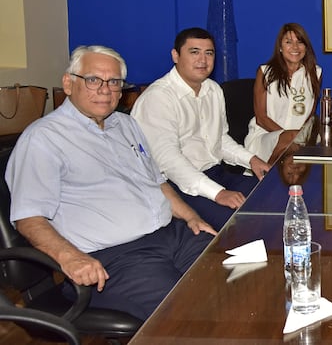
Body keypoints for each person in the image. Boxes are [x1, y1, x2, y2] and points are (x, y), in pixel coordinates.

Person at [5, 45, 215, 320]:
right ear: (68, 84)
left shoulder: (126, 125)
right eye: (93, 80)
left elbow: (157, 182)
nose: (105, 89)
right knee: (189, 314)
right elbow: (29, 219)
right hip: (115, 259)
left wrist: (191, 217)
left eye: (114, 82)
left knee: (230, 279)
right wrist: (71, 258)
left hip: (171, 236)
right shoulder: (43, 139)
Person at [131, 28, 269, 230]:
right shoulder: (158, 98)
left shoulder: (213, 90)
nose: (203, 60)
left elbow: (220, 140)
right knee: (238, 225)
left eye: (209, 53)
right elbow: (169, 161)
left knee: (272, 197)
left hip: (215, 172)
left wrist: (251, 160)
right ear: (175, 55)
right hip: (176, 185)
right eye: (194, 52)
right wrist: (218, 193)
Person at [243, 23, 322, 164]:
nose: (295, 47)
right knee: (289, 140)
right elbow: (261, 118)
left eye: (300, 42)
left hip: (300, 137)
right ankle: (267, 176)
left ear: (306, 47)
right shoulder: (265, 72)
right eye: (288, 42)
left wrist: (297, 137)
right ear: (280, 47)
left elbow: (310, 113)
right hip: (265, 136)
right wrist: (289, 137)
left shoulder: (315, 73)